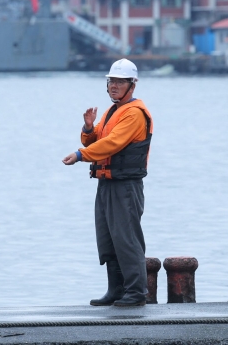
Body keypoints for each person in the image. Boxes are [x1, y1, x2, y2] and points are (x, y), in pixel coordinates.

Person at [62, 58, 154, 307]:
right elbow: (96, 141)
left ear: (132, 85)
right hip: (107, 183)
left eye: (120, 82)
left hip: (126, 185)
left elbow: (112, 144)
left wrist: (80, 155)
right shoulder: (113, 111)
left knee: (126, 238)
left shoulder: (134, 114)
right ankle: (116, 290)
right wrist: (89, 128)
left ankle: (136, 292)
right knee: (108, 238)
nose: (114, 86)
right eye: (111, 81)